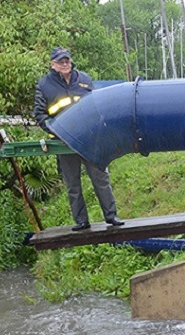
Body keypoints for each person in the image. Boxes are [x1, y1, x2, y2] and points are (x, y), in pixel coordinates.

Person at [33, 47, 124, 231]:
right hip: (64, 141)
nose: (65, 64)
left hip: (90, 139)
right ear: (53, 65)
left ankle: (111, 216)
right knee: (72, 183)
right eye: (60, 61)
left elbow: (97, 105)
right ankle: (81, 221)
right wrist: (55, 131)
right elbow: (39, 114)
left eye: (67, 60)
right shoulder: (44, 85)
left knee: (101, 177)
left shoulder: (84, 79)